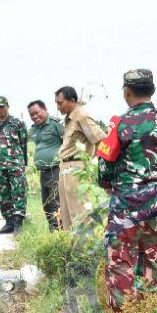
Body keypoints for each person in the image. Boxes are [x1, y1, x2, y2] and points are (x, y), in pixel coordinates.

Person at [98, 69, 157, 312]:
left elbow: (104, 167)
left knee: (121, 259)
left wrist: (108, 184)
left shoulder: (119, 123)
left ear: (127, 92)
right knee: (153, 259)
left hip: (127, 205)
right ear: (152, 91)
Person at [55, 86, 107, 230]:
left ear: (72, 100)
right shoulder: (69, 119)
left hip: (76, 169)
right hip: (65, 168)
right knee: (67, 216)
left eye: (60, 103)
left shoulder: (81, 116)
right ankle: (71, 249)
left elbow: (101, 140)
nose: (58, 107)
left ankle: (84, 250)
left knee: (80, 214)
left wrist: (91, 164)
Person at [0, 96, 27, 234]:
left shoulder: (17, 123)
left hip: (15, 164)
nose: (0, 109)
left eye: (2, 106)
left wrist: (22, 163)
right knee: (4, 195)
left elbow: (23, 144)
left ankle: (18, 223)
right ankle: (9, 223)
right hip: (0, 166)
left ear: (8, 105)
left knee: (19, 192)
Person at [28, 100, 64, 231]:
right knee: (46, 204)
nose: (35, 116)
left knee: (56, 203)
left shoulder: (56, 124)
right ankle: (53, 232)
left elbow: (67, 143)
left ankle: (58, 234)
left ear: (44, 109)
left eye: (37, 113)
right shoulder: (34, 129)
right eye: (31, 114)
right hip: (43, 172)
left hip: (56, 169)